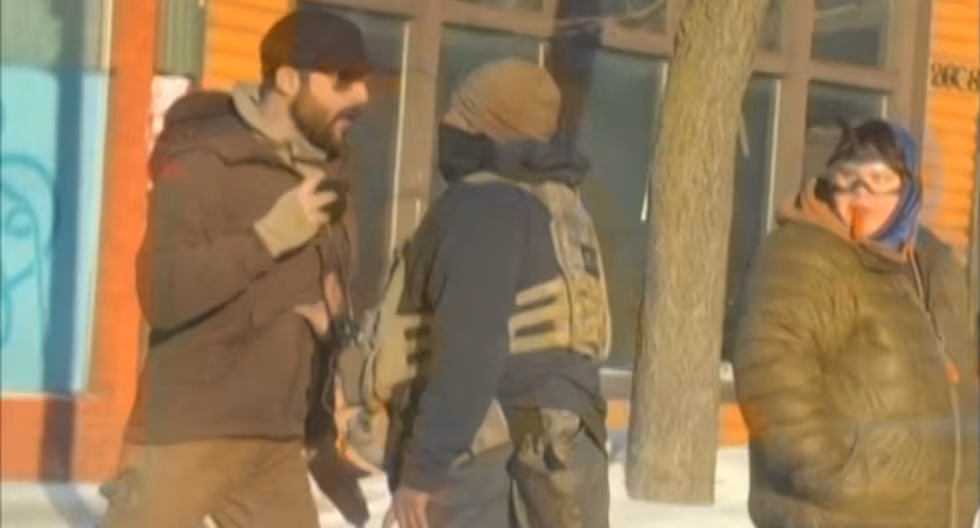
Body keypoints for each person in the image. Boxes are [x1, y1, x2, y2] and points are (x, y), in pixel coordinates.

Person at [102, 9, 370, 528]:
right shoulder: (206, 160)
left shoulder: (330, 176)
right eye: (344, 78)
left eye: (364, 80)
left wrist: (331, 329)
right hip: (184, 435)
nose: (361, 95)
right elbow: (161, 290)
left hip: (274, 441)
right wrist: (267, 238)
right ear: (288, 79)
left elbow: (313, 308)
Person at [384, 59, 612, 528]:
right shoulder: (558, 204)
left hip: (491, 454)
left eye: (459, 110)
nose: (446, 122)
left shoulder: (483, 205)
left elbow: (469, 345)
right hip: (569, 444)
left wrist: (424, 470)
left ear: (488, 121)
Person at [733, 119, 979, 528]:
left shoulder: (930, 263)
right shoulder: (803, 255)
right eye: (848, 180)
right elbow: (767, 380)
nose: (861, 194)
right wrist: (838, 475)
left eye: (879, 180)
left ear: (909, 189)